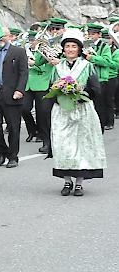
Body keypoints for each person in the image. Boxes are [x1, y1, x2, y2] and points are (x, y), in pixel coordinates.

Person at [49, 29, 106, 196]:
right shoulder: (57, 67)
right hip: (62, 111)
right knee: (63, 145)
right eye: (67, 46)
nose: (70, 49)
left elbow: (96, 89)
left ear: (79, 49)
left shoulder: (87, 66)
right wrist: (59, 96)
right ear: (63, 49)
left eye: (74, 46)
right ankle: (67, 181)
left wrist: (79, 95)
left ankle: (79, 183)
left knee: (81, 145)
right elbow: (51, 87)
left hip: (82, 110)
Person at [0, 27, 28, 168]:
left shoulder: (19, 52)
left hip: (12, 95)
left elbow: (24, 73)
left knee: (13, 127)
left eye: (3, 35)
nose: (0, 38)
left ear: (10, 36)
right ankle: (2, 152)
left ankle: (13, 156)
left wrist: (19, 90)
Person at [23, 31, 55, 154]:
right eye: (30, 40)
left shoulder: (46, 49)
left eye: (33, 40)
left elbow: (47, 64)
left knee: (43, 114)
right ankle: (33, 131)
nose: (31, 42)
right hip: (28, 84)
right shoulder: (25, 50)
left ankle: (46, 142)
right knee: (24, 108)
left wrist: (34, 64)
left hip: (42, 82)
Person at [84, 23, 114, 132]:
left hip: (101, 79)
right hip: (88, 78)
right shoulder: (87, 45)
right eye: (89, 33)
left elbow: (107, 62)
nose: (90, 36)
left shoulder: (104, 46)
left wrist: (91, 57)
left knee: (101, 105)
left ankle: (101, 126)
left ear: (99, 34)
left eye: (93, 34)